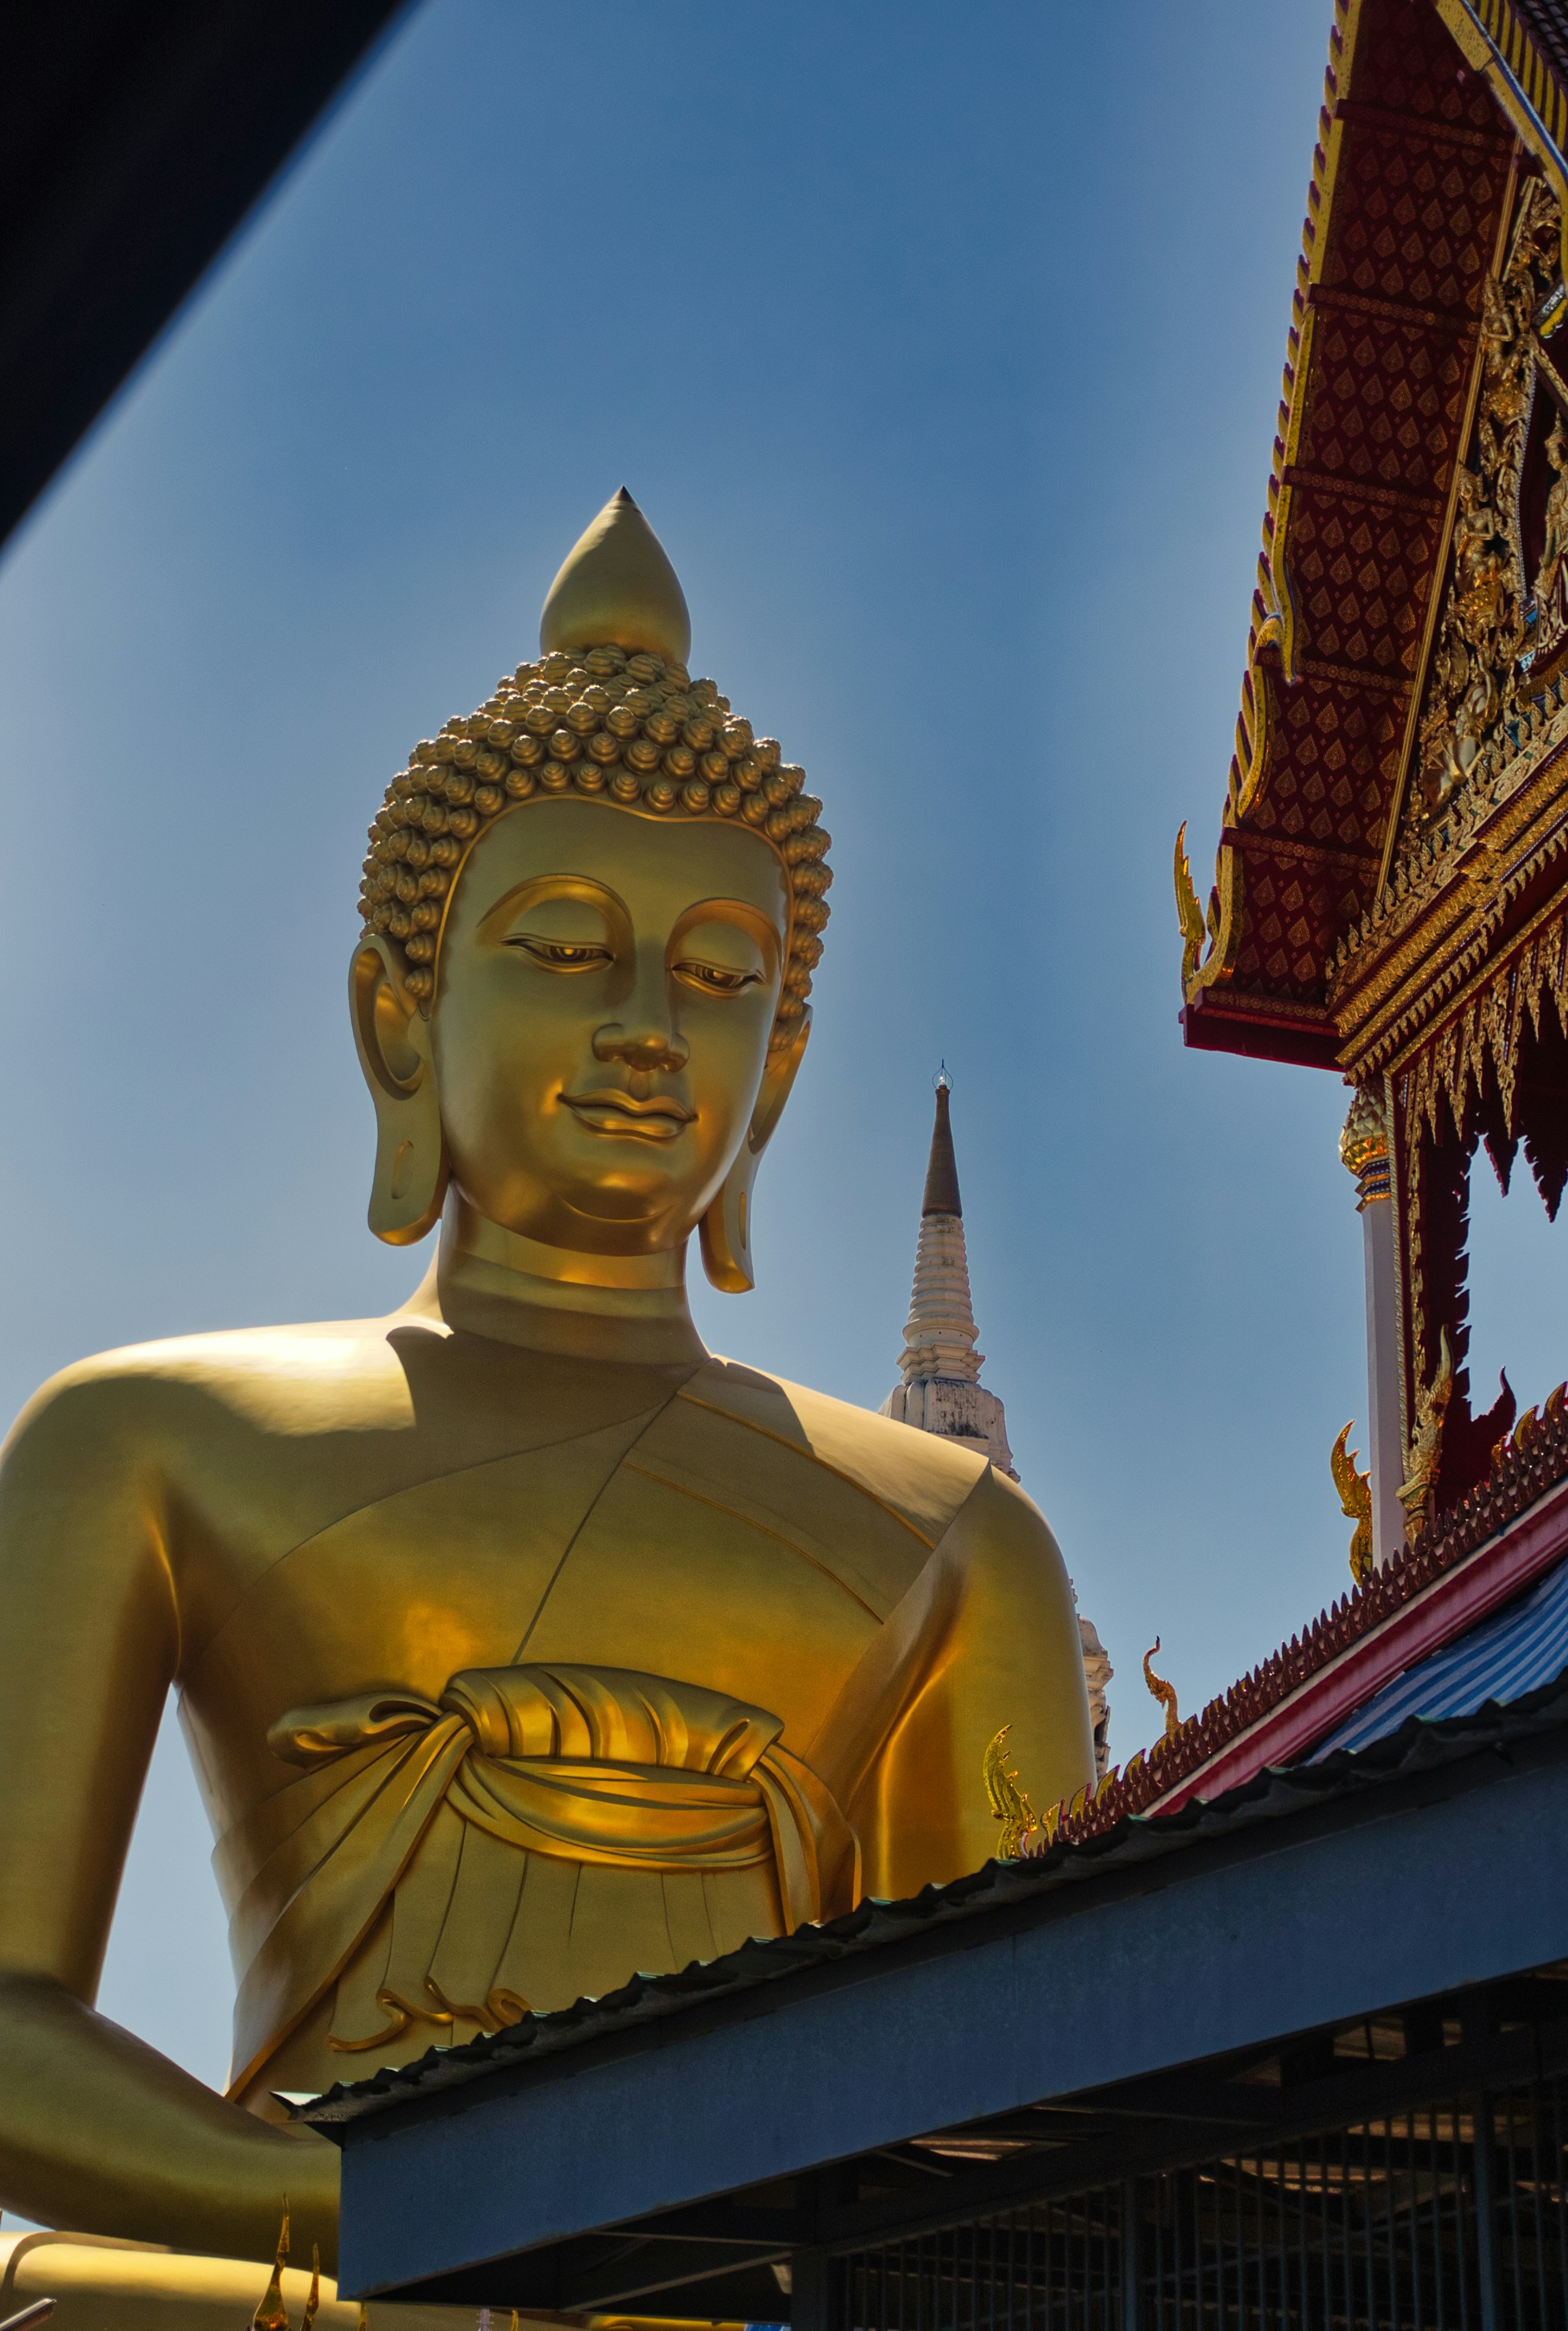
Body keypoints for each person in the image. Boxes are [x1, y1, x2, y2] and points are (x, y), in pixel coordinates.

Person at [0, 493, 1095, 2310]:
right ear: (396, 1019)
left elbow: (1022, 2088)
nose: (652, 1024)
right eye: (570, 949)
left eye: (724, 976)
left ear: (785, 1062)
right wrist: (384, 2222)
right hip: (329, 2276)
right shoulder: (142, 1443)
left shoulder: (962, 1535)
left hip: (748, 2286)